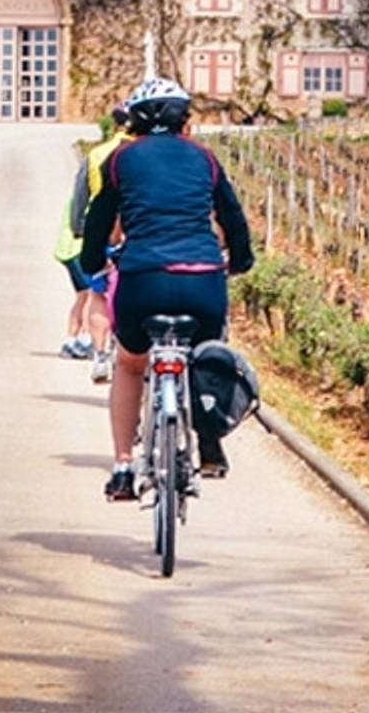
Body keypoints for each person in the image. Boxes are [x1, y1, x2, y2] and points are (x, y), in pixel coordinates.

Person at [81, 77, 254, 503]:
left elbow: (98, 221)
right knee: (207, 354)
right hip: (202, 279)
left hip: (142, 280)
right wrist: (241, 260)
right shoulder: (205, 159)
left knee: (130, 366)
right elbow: (232, 216)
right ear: (184, 122)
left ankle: (122, 467)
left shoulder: (119, 161)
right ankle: (210, 442)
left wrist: (93, 263)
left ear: (134, 123)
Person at [52, 105, 130, 381]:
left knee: (98, 293)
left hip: (103, 230)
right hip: (143, 231)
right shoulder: (150, 151)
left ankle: (99, 354)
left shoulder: (98, 154)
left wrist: (79, 229)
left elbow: (80, 195)